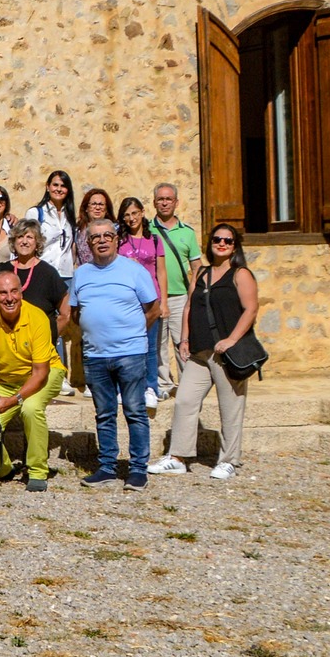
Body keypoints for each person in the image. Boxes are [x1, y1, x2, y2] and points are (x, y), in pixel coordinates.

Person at [155, 223, 258, 482]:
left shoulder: (240, 274)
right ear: (210, 242)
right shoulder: (201, 273)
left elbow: (251, 309)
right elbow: (189, 306)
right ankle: (178, 457)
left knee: (230, 408)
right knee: (185, 401)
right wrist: (185, 339)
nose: (221, 243)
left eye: (228, 240)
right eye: (217, 239)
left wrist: (232, 339)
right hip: (200, 352)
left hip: (227, 353)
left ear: (235, 246)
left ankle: (228, 461)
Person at [70, 218, 161, 489]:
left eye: (107, 235)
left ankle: (137, 470)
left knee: (134, 411)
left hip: (130, 353)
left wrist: (134, 333)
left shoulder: (134, 271)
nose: (101, 240)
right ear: (88, 243)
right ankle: (107, 467)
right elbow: (75, 313)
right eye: (95, 237)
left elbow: (154, 308)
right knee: (104, 413)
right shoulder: (81, 274)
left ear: (116, 239)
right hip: (95, 355)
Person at [0, 266, 65, 491]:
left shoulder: (37, 317)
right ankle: (3, 468)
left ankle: (38, 470)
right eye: (3, 293)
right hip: (5, 379)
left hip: (46, 372)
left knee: (30, 408)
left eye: (14, 291)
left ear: (21, 292)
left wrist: (12, 401)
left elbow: (40, 373)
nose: (10, 298)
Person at [149, 183, 206, 400]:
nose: (164, 203)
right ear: (154, 202)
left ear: (176, 202)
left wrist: (197, 295)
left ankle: (187, 384)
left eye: (168, 199)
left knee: (183, 341)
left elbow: (196, 266)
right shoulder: (147, 229)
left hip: (181, 295)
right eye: (160, 199)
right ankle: (163, 383)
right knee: (158, 344)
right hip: (155, 297)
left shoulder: (187, 232)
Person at [27, 169, 80, 394]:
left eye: (63, 186)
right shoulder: (36, 212)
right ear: (48, 186)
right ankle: (45, 373)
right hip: (45, 272)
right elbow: (27, 240)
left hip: (66, 273)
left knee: (62, 322)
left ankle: (58, 372)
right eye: (55, 185)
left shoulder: (69, 215)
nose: (59, 189)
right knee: (45, 322)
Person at [116, 196, 170, 406]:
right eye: (127, 215)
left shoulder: (155, 239)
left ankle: (150, 387)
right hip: (127, 302)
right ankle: (125, 388)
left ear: (142, 212)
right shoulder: (119, 241)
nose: (131, 218)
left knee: (149, 346)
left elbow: (161, 272)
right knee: (125, 346)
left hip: (150, 301)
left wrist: (163, 302)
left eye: (135, 213)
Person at [5, 220, 71, 341]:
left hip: (39, 350)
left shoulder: (48, 273)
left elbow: (65, 313)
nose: (24, 241)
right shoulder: (2, 271)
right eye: (20, 237)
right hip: (7, 347)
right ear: (13, 242)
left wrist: (48, 339)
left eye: (29, 237)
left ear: (37, 243)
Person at [74, 188, 116, 269]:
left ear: (106, 209)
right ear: (86, 208)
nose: (97, 208)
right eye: (93, 204)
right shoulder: (77, 230)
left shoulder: (115, 229)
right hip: (86, 275)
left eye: (101, 204)